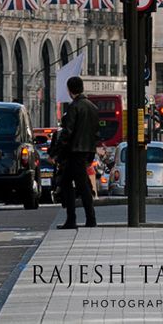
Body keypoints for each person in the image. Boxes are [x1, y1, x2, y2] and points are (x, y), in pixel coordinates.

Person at [54, 75, 99, 229]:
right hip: (86, 151)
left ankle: (77, 219)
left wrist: (58, 151)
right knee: (78, 184)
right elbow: (96, 133)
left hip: (74, 152)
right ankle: (83, 219)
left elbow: (67, 132)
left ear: (69, 90)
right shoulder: (93, 107)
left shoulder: (74, 107)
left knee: (74, 185)